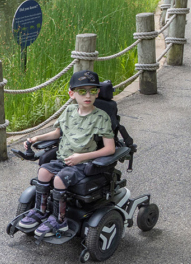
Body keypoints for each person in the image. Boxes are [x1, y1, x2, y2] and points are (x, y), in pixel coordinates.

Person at [16, 70, 116, 238]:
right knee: (43, 171)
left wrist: (81, 157)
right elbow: (57, 133)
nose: (88, 95)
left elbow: (110, 149)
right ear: (72, 93)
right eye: (82, 91)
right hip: (63, 159)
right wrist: (35, 138)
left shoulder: (101, 117)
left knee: (59, 179)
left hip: (83, 164)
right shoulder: (69, 111)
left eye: (93, 91)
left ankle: (59, 220)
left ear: (98, 92)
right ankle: (40, 212)